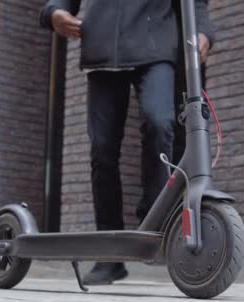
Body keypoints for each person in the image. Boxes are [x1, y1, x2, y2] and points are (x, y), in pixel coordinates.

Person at [40, 0, 215, 285]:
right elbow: (60, 4)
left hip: (155, 45)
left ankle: (155, 218)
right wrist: (55, 13)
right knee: (102, 150)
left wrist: (204, 31)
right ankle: (110, 258)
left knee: (160, 121)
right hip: (102, 52)